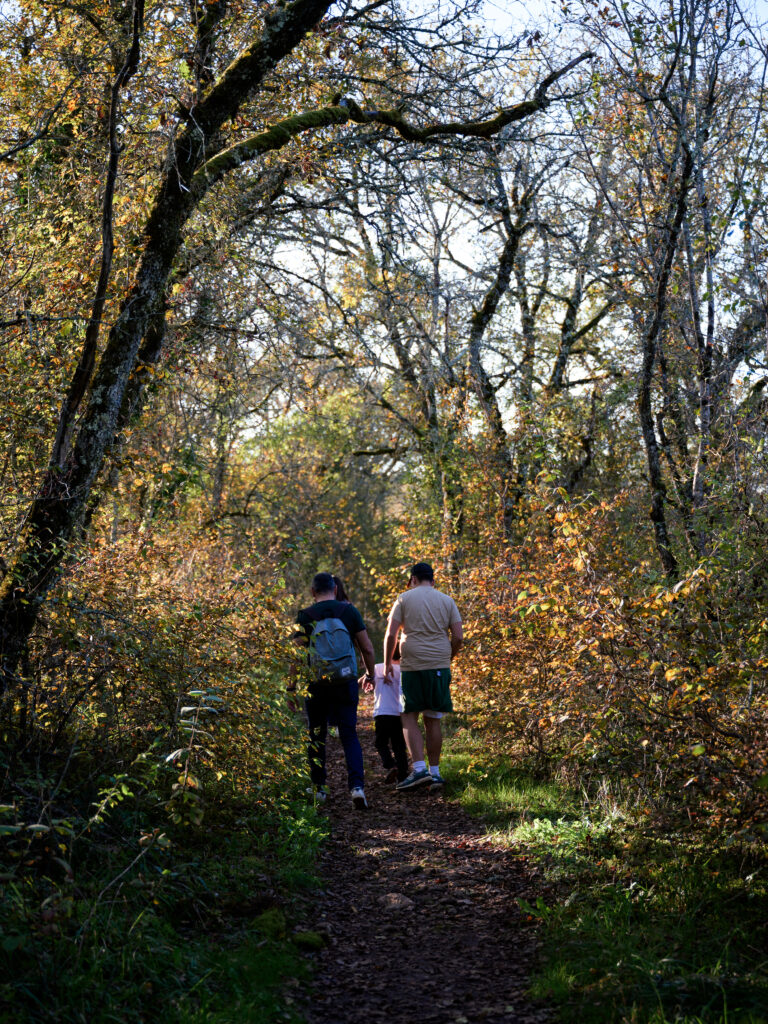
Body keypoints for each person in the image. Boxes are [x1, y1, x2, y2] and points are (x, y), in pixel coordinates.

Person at [291, 572, 376, 808]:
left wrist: (291, 687)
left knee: (316, 734)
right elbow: (367, 648)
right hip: (345, 681)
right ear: (335, 590)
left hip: (316, 684)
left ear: (312, 592)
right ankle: (357, 788)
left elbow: (297, 656)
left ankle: (319, 789)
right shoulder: (348, 611)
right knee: (349, 734)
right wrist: (370, 675)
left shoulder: (305, 615)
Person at [383, 561, 463, 790]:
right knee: (433, 718)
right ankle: (435, 773)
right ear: (433, 580)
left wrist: (388, 663)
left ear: (414, 579)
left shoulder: (404, 598)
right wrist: (448, 657)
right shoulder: (447, 601)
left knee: (408, 715)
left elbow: (391, 635)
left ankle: (419, 770)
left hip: (413, 665)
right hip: (439, 664)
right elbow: (458, 636)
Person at [369, 643, 409, 784]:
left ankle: (391, 765)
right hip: (399, 714)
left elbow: (368, 681)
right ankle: (403, 776)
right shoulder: (405, 670)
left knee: (381, 743)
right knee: (399, 746)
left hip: (382, 713)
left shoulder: (378, 668)